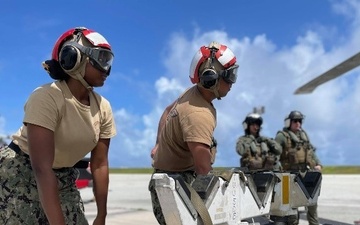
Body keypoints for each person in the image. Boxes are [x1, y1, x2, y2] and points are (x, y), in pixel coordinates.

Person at [0, 27, 116, 225]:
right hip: (20, 174)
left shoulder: (103, 107)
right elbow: (42, 168)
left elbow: (99, 164)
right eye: (101, 59)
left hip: (62, 176)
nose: (106, 69)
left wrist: (101, 215)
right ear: (73, 58)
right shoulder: (46, 98)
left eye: (108, 60)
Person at [148, 41, 239, 225]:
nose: (232, 83)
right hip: (177, 188)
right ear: (211, 78)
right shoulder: (199, 113)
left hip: (168, 180)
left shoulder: (191, 94)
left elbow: (166, 112)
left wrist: (158, 144)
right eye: (229, 76)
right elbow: (203, 169)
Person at [275, 110, 322, 225]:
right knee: (293, 210)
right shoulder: (282, 136)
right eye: (295, 121)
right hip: (291, 176)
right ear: (289, 122)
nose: (298, 123)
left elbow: (311, 151)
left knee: (312, 204)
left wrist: (318, 164)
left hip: (307, 173)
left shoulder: (303, 136)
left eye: (300, 121)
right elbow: (274, 154)